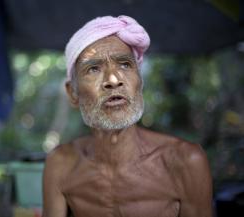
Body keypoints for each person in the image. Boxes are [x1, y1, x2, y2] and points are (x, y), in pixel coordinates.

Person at [42, 15, 213, 217]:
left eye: (124, 64)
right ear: (73, 93)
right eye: (94, 69)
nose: (113, 80)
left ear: (139, 81)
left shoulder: (184, 162)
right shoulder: (61, 164)